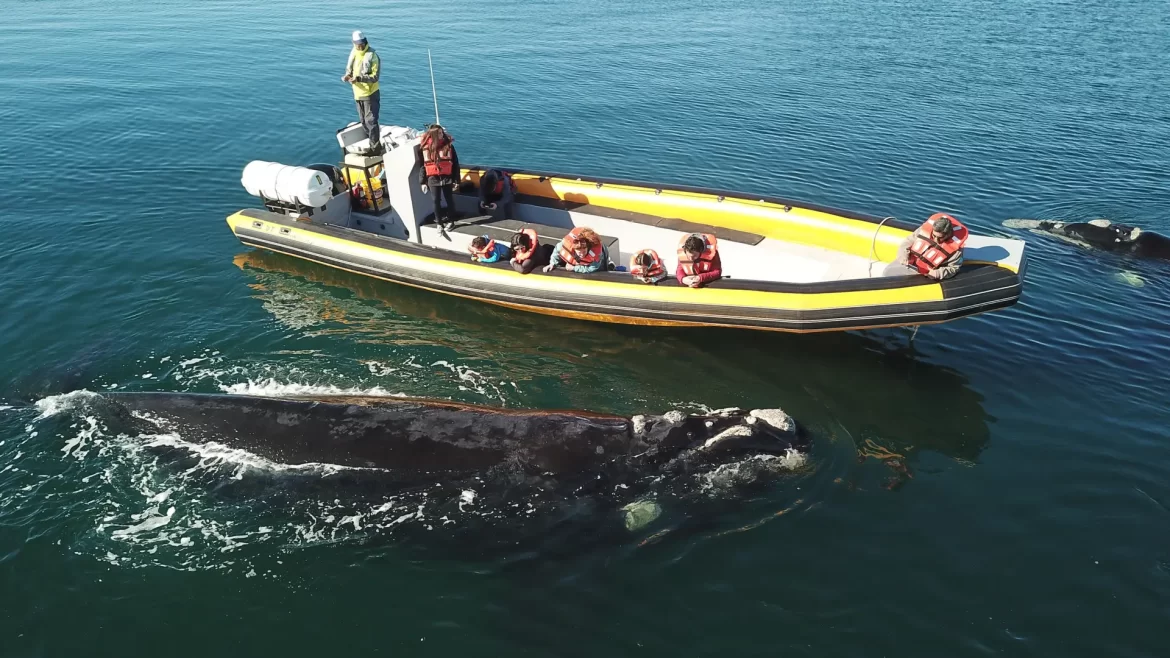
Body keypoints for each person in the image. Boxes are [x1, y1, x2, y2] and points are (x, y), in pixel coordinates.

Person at [888, 213, 968, 280]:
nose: (936, 240)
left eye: (940, 237)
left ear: (948, 234)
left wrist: (937, 273)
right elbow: (907, 241)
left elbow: (954, 268)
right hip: (910, 262)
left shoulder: (956, 250)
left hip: (927, 273)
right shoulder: (923, 231)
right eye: (934, 236)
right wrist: (904, 256)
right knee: (887, 272)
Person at [341, 31, 381, 152]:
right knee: (363, 121)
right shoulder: (354, 53)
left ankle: (375, 147)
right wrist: (347, 76)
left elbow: (375, 77)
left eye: (361, 43)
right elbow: (350, 70)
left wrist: (359, 78)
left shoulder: (373, 56)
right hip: (358, 93)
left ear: (365, 41)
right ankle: (371, 143)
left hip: (370, 94)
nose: (360, 46)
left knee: (371, 121)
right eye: (357, 44)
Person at [416, 124, 461, 228]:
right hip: (433, 178)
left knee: (449, 199)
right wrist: (422, 181)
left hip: (447, 177)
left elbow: (455, 164)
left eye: (442, 132)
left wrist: (456, 180)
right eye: (439, 133)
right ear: (433, 135)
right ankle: (439, 223)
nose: (441, 135)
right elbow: (423, 165)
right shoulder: (424, 148)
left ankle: (451, 221)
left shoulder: (449, 146)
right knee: (436, 201)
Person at [544, 227, 608, 274]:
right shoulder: (564, 245)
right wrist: (552, 263)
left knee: (602, 269)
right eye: (580, 252)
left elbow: (592, 268)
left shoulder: (595, 255)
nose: (582, 254)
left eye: (584, 251)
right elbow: (556, 251)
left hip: (600, 261)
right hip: (575, 260)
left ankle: (610, 264)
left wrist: (574, 268)